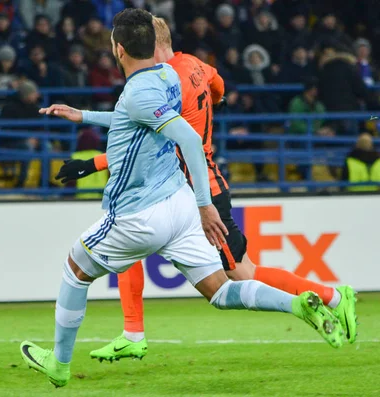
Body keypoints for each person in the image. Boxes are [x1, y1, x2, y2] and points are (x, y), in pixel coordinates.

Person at [20, 9, 346, 388]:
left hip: (139, 214)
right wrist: (85, 116)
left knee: (74, 270)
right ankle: (295, 303)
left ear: (118, 49)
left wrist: (207, 206)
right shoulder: (166, 76)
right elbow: (134, 116)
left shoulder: (139, 90)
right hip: (179, 207)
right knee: (221, 290)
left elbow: (187, 139)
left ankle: (59, 364)